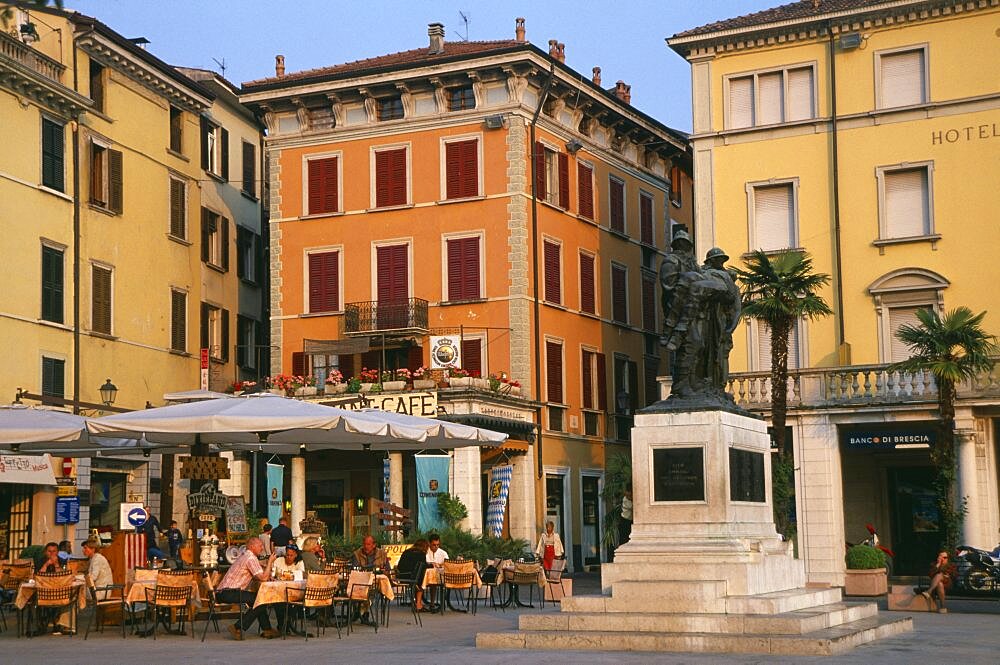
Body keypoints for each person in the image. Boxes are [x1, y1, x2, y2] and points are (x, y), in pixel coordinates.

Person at [216, 536, 280, 639]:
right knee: (260, 601)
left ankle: (267, 629)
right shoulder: (250, 558)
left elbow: (257, 576)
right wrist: (269, 562)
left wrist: (266, 572)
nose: (262, 548)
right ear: (252, 546)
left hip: (223, 592)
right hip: (228, 592)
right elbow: (263, 578)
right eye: (260, 545)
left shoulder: (245, 555)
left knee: (259, 600)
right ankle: (237, 627)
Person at [396, 540, 430, 612]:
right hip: (414, 578)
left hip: (402, 576)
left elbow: (399, 566)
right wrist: (432, 565)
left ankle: (417, 602)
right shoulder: (421, 554)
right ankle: (418, 604)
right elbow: (423, 566)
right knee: (422, 577)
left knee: (419, 575)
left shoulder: (406, 552)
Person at [425, 533, 449, 607]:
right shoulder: (425, 552)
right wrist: (432, 563)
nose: (436, 547)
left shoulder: (443, 553)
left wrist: (441, 564)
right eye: (434, 545)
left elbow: (448, 564)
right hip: (426, 575)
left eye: (438, 545)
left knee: (435, 580)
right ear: (429, 543)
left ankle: (433, 603)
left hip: (440, 576)